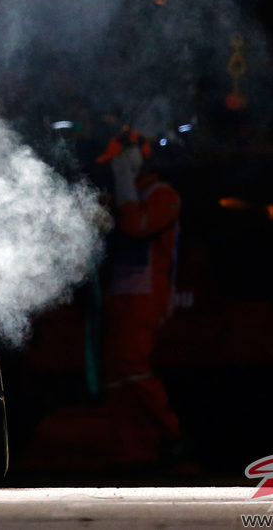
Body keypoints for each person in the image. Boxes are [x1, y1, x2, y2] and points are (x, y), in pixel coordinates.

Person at [96, 127, 183, 467]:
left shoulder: (164, 194)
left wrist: (122, 181)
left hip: (147, 294)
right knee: (116, 375)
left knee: (132, 364)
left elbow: (136, 225)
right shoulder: (124, 192)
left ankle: (172, 433)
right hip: (119, 293)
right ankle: (135, 452)